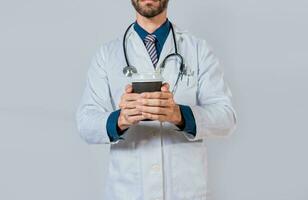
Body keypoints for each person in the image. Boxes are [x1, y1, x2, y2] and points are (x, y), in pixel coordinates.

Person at [76, 0, 237, 199]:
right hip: (128, 192)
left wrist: (180, 115)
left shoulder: (198, 50)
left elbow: (226, 117)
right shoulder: (107, 55)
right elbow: (85, 123)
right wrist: (120, 120)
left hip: (184, 192)